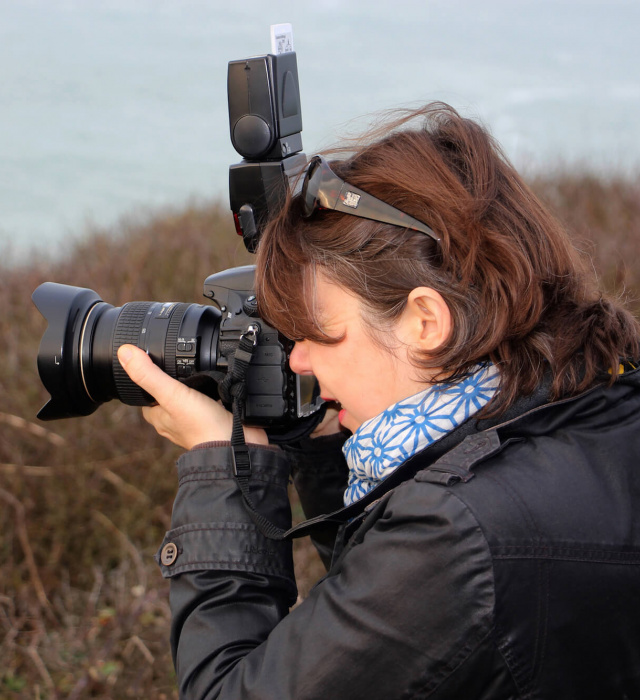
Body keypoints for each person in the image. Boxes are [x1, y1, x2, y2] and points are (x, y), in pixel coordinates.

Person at [117, 103, 640, 699]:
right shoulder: (597, 398)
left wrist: (223, 469)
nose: (298, 360)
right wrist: (319, 448)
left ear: (425, 321)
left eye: (320, 333)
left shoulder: (454, 533)